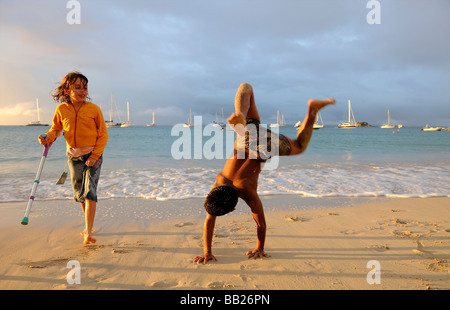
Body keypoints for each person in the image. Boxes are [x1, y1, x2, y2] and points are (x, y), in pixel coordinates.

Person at [193, 83, 335, 264]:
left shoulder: (247, 191)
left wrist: (260, 247)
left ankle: (313, 110)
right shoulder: (219, 182)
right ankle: (241, 116)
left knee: (299, 146)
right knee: (246, 88)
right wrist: (207, 250)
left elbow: (260, 224)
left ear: (235, 207)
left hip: (264, 147)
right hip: (246, 136)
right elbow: (209, 217)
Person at [38, 71, 108, 244]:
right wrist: (47, 138)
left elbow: (103, 134)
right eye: (77, 87)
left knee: (90, 191)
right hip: (73, 156)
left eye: (85, 88)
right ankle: (87, 225)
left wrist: (95, 155)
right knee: (80, 194)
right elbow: (56, 129)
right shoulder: (61, 109)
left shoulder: (94, 109)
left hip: (93, 155)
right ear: (67, 90)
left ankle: (88, 231)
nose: (82, 91)